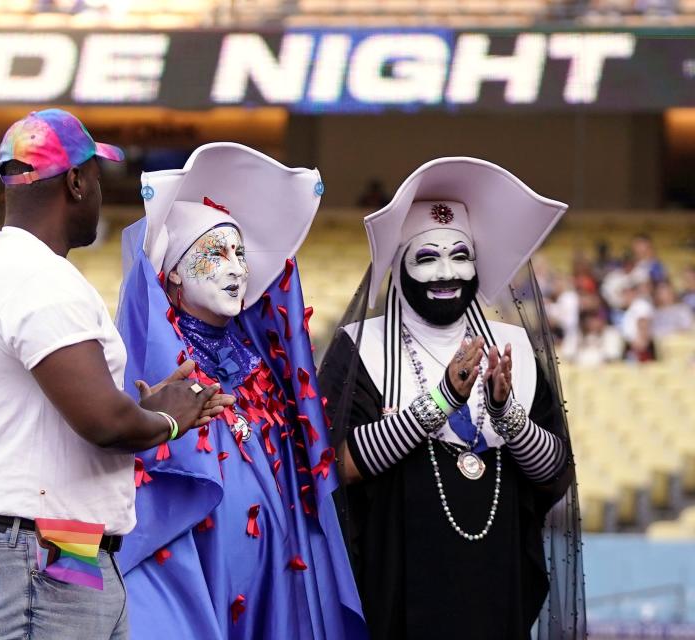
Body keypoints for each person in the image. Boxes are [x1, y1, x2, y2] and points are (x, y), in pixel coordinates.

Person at [0, 108, 234, 640]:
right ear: (76, 182)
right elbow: (103, 422)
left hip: (60, 546)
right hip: (37, 552)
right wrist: (166, 420)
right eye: (98, 179)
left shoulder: (19, 268)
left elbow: (86, 414)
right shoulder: (39, 278)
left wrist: (147, 411)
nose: (101, 193)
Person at [318, 157, 584, 639]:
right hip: (398, 582)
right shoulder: (361, 345)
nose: (448, 272)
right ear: (398, 267)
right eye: (427, 257)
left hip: (495, 580)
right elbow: (338, 463)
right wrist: (440, 401)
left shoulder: (514, 348)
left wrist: (506, 416)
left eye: (461, 256)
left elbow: (554, 473)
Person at [115, 143, 365, 639]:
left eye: (240, 254)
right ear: (173, 277)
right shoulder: (160, 375)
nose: (235, 268)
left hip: (275, 594)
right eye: (215, 255)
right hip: (199, 587)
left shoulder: (263, 373)